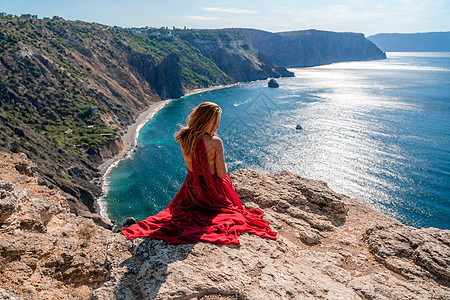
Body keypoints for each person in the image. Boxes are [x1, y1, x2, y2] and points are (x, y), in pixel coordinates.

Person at [121, 102, 277, 246]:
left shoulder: (184, 137)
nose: (217, 126)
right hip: (211, 192)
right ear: (204, 121)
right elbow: (221, 175)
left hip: (190, 193)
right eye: (214, 122)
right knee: (235, 214)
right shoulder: (216, 142)